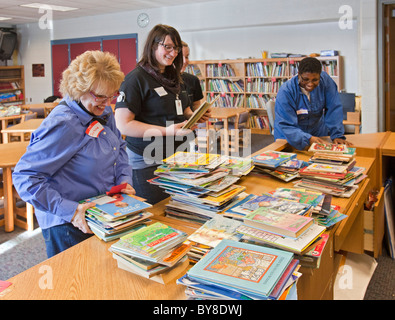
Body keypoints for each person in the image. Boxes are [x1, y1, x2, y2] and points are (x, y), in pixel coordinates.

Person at [12, 50, 135, 258]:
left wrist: (125, 181)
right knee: (72, 287)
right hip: (68, 224)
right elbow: (25, 178)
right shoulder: (63, 123)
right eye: (100, 96)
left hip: (101, 212)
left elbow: (119, 148)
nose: (107, 103)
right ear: (79, 89)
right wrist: (71, 211)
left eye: (112, 95)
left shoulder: (102, 111)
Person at [114, 24, 209, 204]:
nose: (173, 53)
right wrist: (168, 131)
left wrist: (193, 117)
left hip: (179, 153)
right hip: (148, 157)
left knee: (179, 205)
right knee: (156, 209)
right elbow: (123, 124)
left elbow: (178, 110)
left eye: (176, 48)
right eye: (167, 47)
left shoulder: (174, 76)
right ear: (152, 46)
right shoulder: (136, 79)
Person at [274, 56, 353, 150]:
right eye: (305, 79)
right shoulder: (286, 92)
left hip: (317, 133)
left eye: (315, 80)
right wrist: (308, 138)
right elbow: (286, 125)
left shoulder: (326, 82)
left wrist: (337, 135)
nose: (310, 84)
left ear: (320, 75)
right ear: (299, 74)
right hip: (290, 136)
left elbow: (334, 108)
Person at [181, 41, 204, 111]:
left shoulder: (193, 80)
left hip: (190, 121)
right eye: (181, 57)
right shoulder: (164, 81)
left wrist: (200, 114)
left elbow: (196, 105)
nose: (185, 61)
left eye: (187, 57)